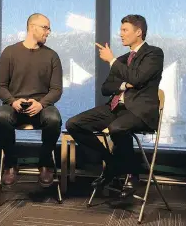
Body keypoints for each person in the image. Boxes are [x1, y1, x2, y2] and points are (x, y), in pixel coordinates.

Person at [66, 14, 164, 194]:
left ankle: (131, 172)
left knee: (117, 128)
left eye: (125, 30)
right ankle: (112, 164)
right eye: (121, 30)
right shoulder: (121, 60)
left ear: (139, 32)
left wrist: (111, 61)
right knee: (73, 124)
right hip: (114, 108)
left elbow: (138, 77)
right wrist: (123, 84)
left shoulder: (154, 54)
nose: (120, 34)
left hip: (139, 111)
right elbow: (106, 88)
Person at [0, 13, 63, 188]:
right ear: (32, 27)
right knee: (1, 116)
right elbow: (0, 86)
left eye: (49, 28)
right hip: (15, 106)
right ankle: (11, 163)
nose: (48, 32)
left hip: (42, 106)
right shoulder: (10, 53)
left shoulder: (52, 56)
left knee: (54, 119)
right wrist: (12, 101)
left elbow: (56, 90)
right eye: (45, 28)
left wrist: (41, 104)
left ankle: (45, 162)